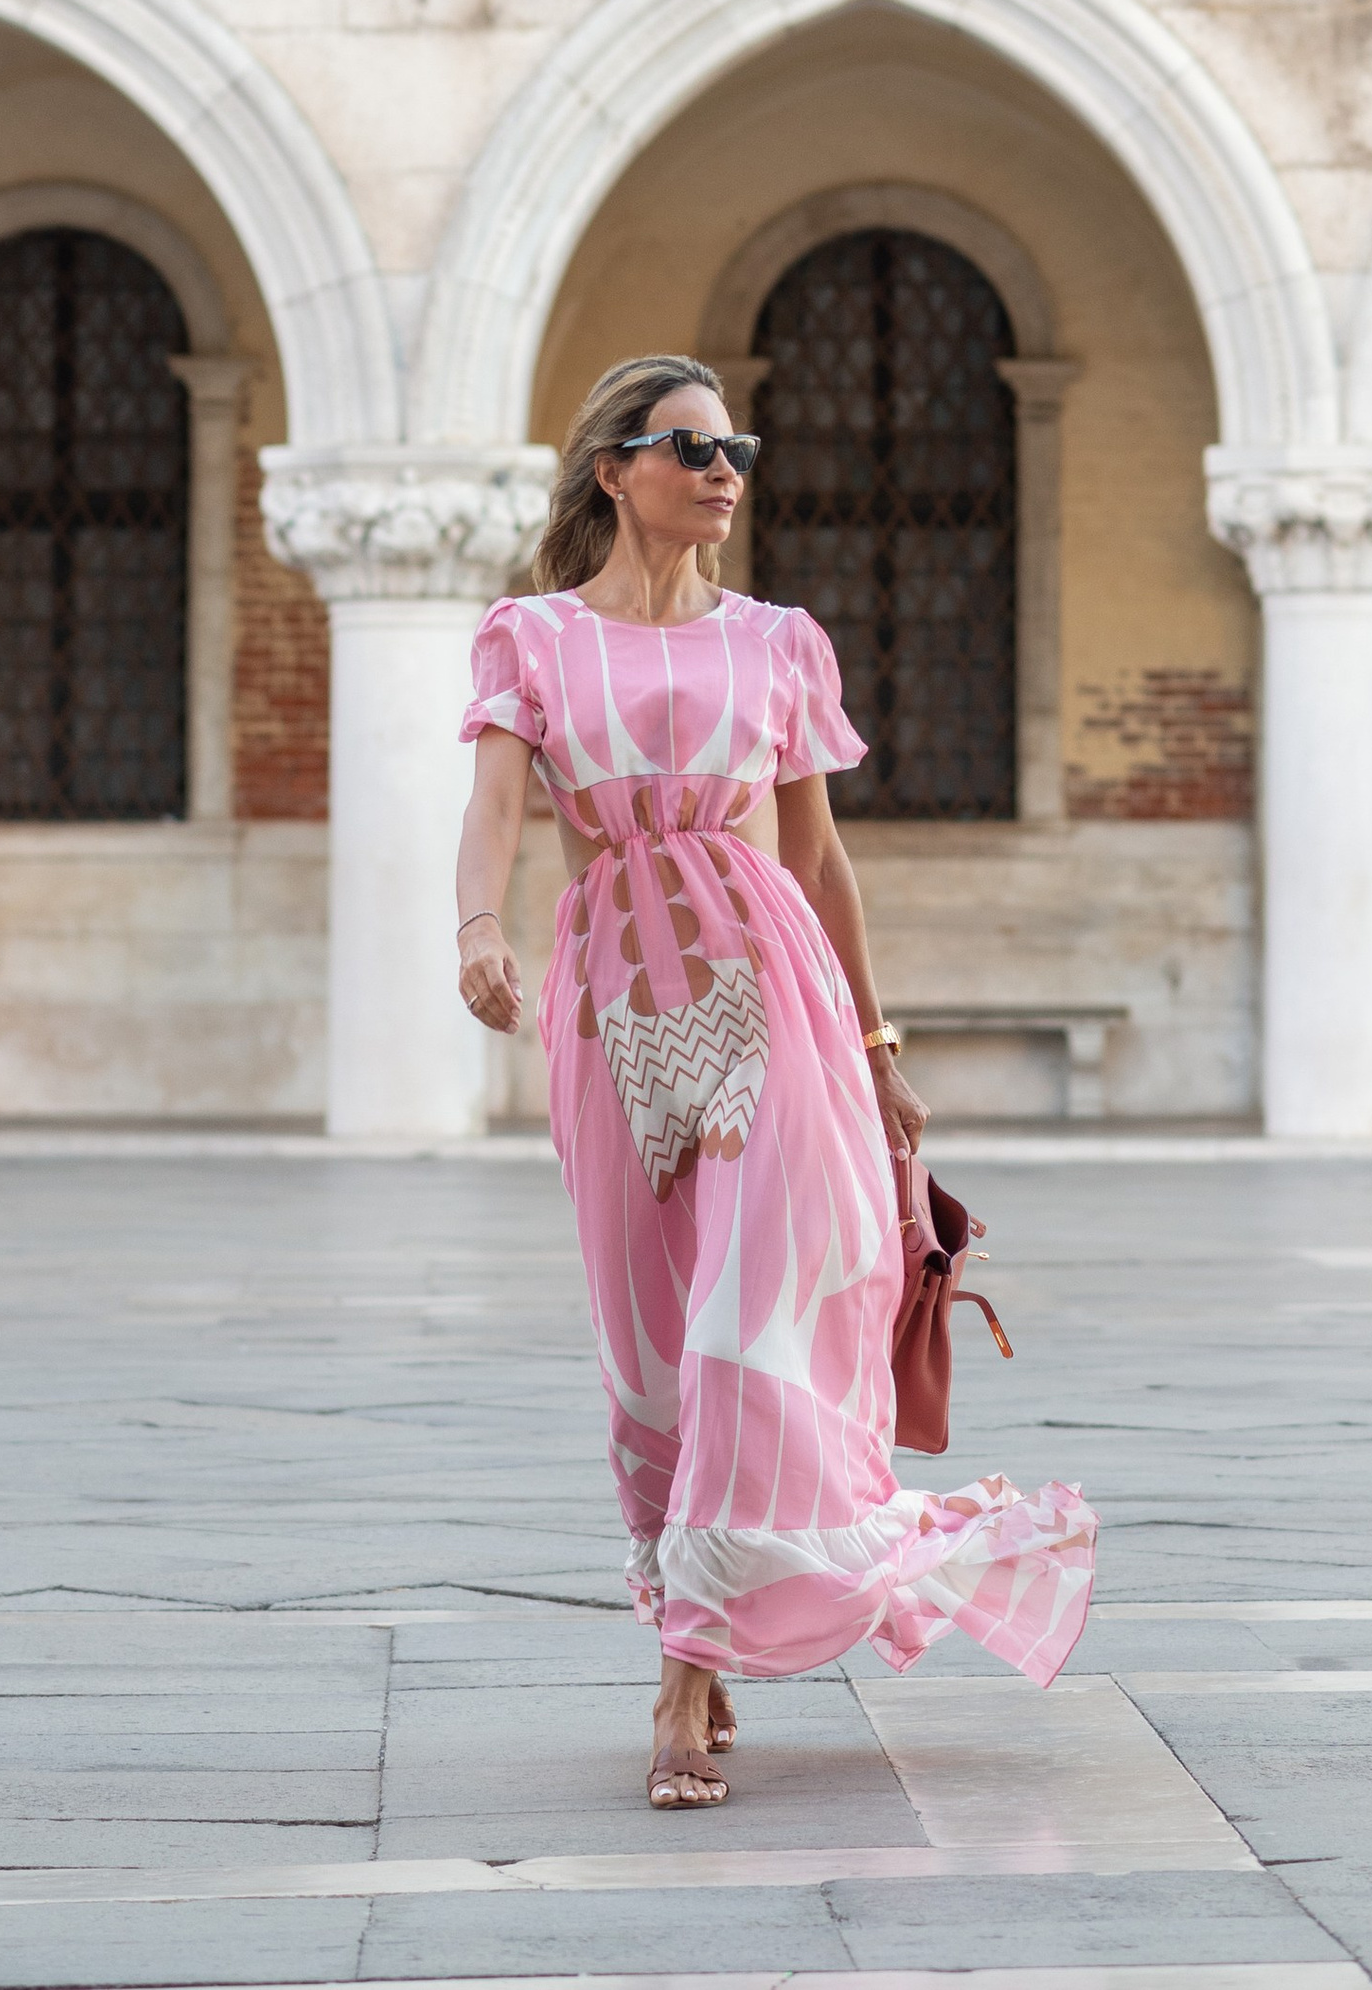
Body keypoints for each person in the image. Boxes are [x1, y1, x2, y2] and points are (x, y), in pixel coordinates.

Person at [453, 350, 1097, 1814]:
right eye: (689, 446)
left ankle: (687, 1669)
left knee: (753, 1324)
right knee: (653, 1347)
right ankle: (706, 1611)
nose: (724, 467)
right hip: (613, 1009)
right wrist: (478, 926)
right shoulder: (532, 637)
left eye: (733, 444)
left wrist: (881, 1054)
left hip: (776, 1002)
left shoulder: (780, 641)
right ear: (615, 469)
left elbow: (815, 856)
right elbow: (492, 808)